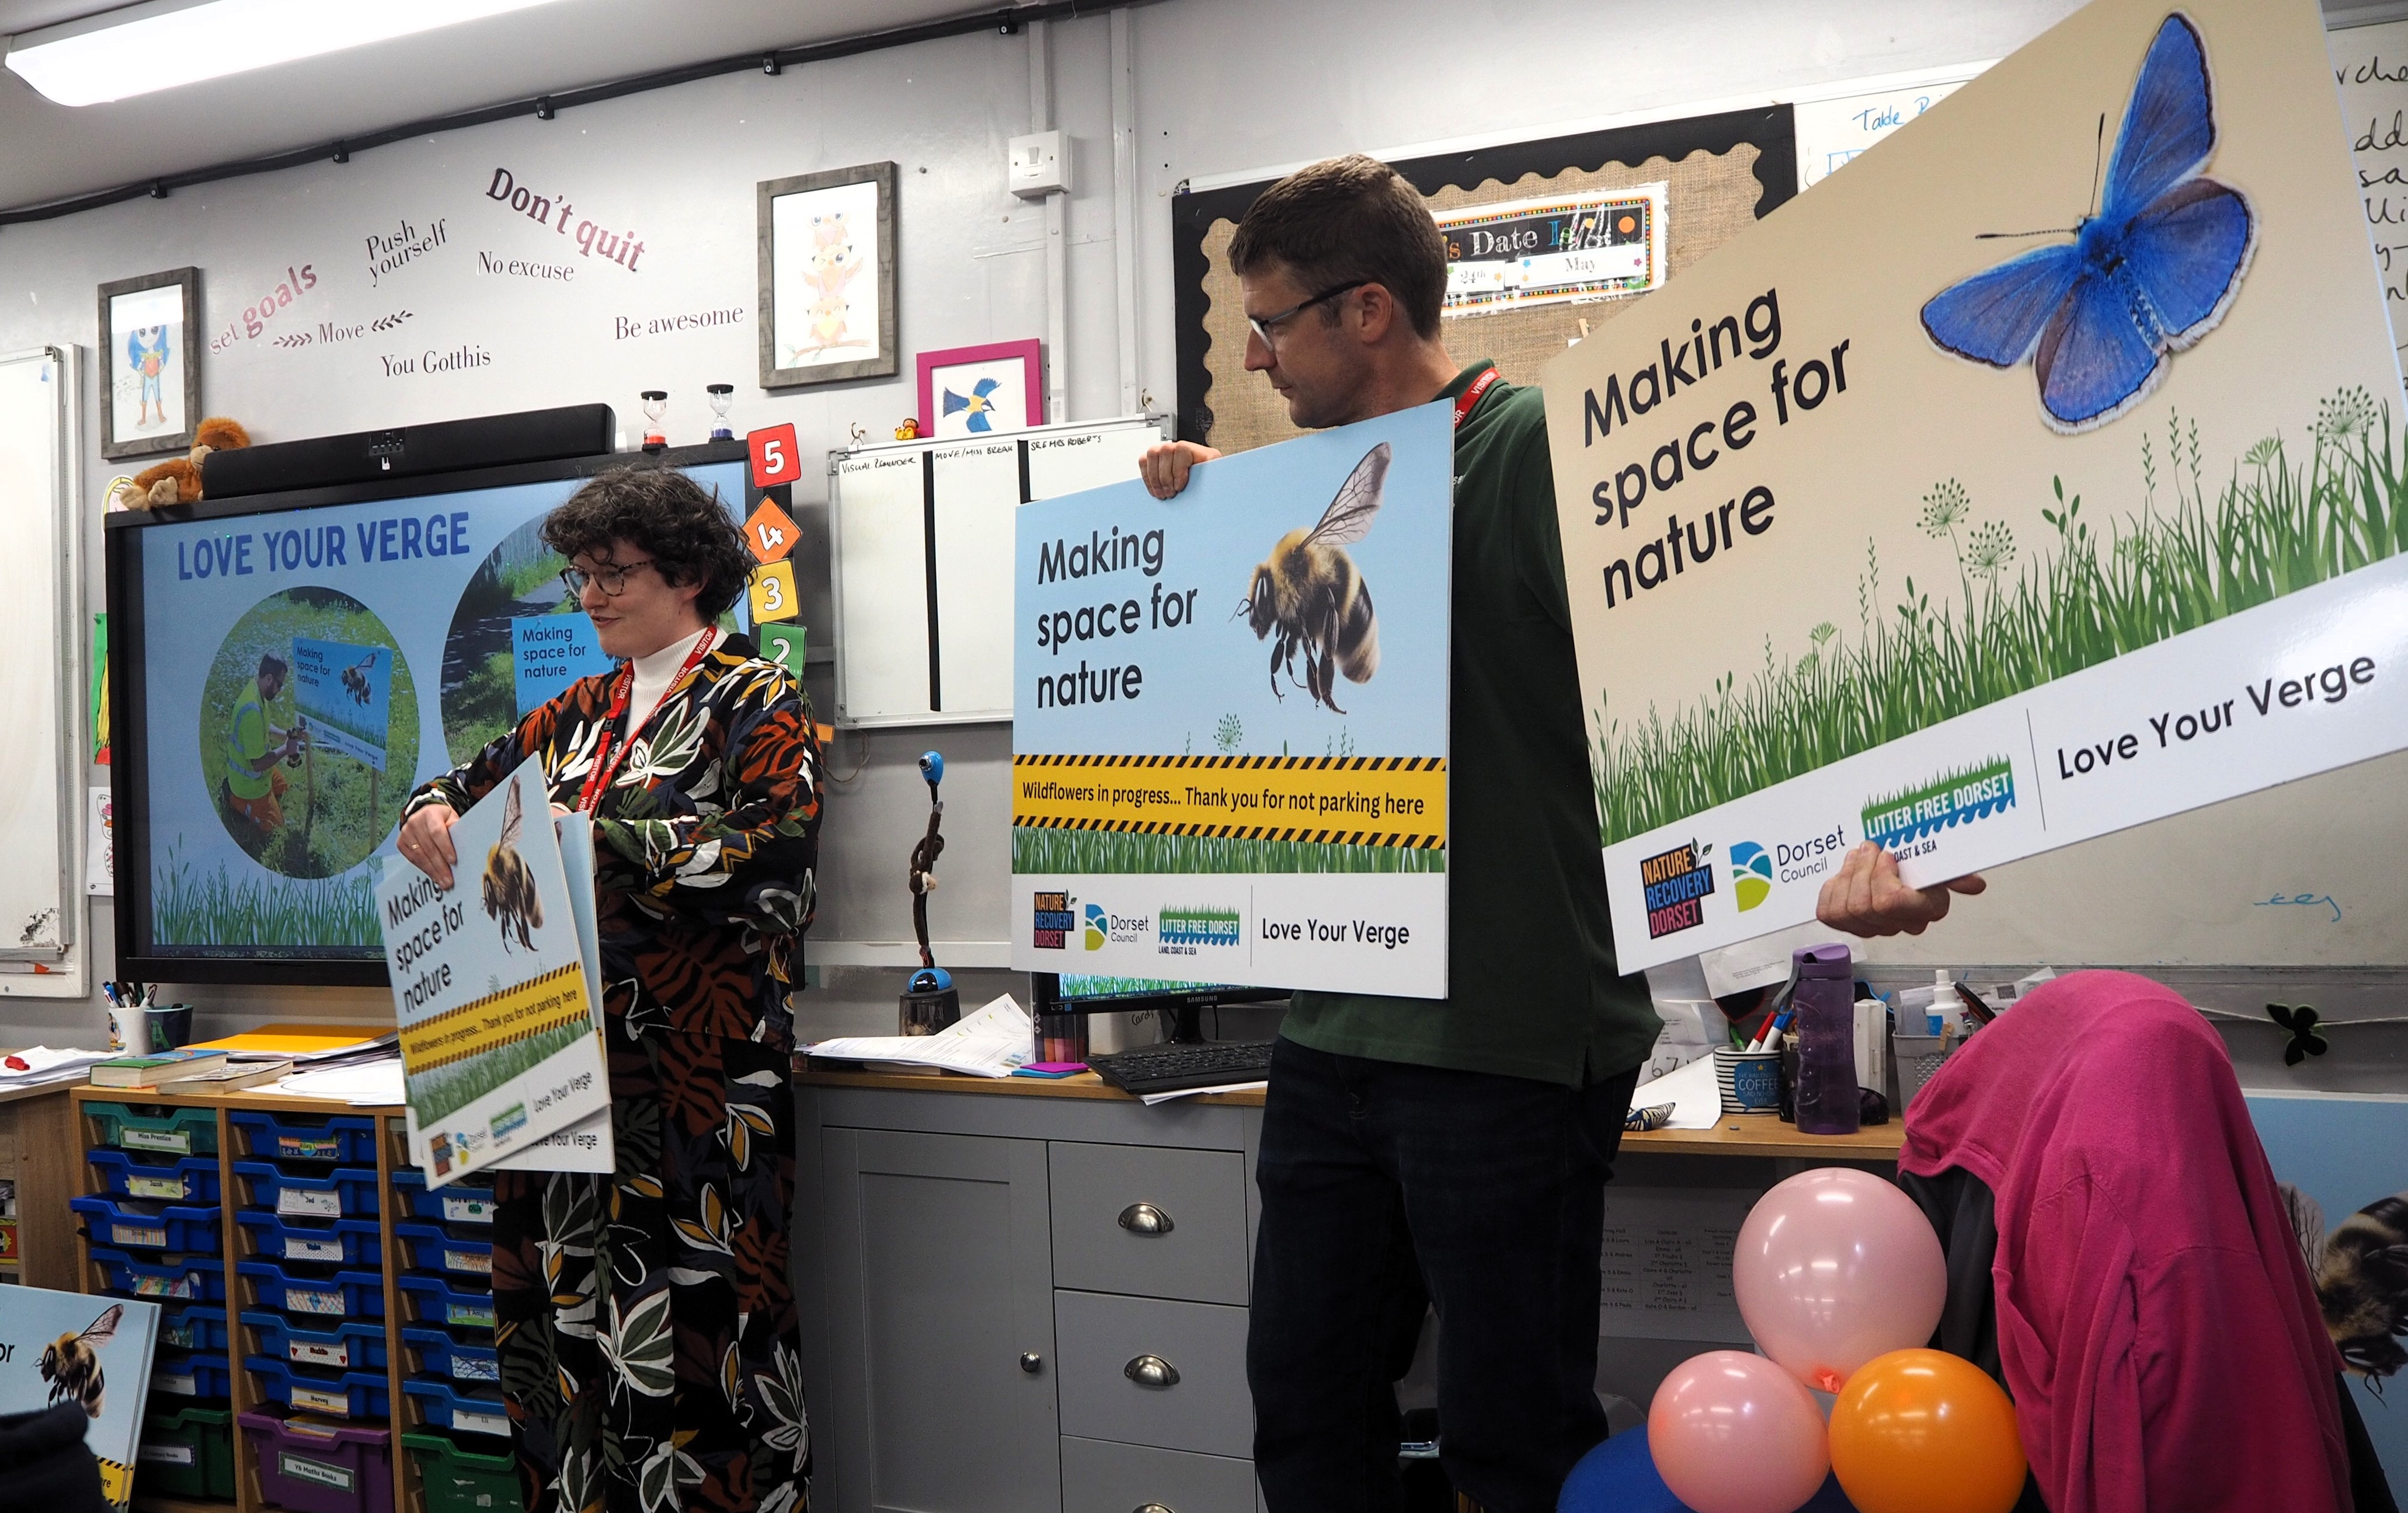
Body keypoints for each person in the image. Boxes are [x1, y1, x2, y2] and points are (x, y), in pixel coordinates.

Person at [1139, 156, 1978, 1513]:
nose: (1252, 354)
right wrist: (1184, 522)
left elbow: (1739, 655)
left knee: (1511, 1439)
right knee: (1303, 1417)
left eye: (1272, 320)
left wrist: (1884, 839)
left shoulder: (1534, 450)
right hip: (1334, 1036)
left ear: (1364, 312)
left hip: (1508, 1045)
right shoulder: (1312, 494)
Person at [399, 468, 824, 1513]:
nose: (588, 595)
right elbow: (458, 785)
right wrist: (428, 813)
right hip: (552, 1078)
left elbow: (782, 867)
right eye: (579, 575)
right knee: (561, 1349)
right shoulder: (578, 709)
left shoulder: (753, 695)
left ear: (686, 575)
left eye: (612, 573)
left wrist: (602, 845)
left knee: (697, 1354)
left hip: (691, 1091)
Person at [222, 651, 307, 839]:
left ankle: (249, 798)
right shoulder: (251, 711)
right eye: (280, 684)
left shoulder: (256, 690)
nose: (280, 689)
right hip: (248, 783)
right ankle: (236, 800)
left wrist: (286, 735)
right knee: (277, 829)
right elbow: (258, 764)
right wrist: (286, 750)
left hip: (256, 773)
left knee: (283, 788)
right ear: (269, 678)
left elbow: (265, 727)